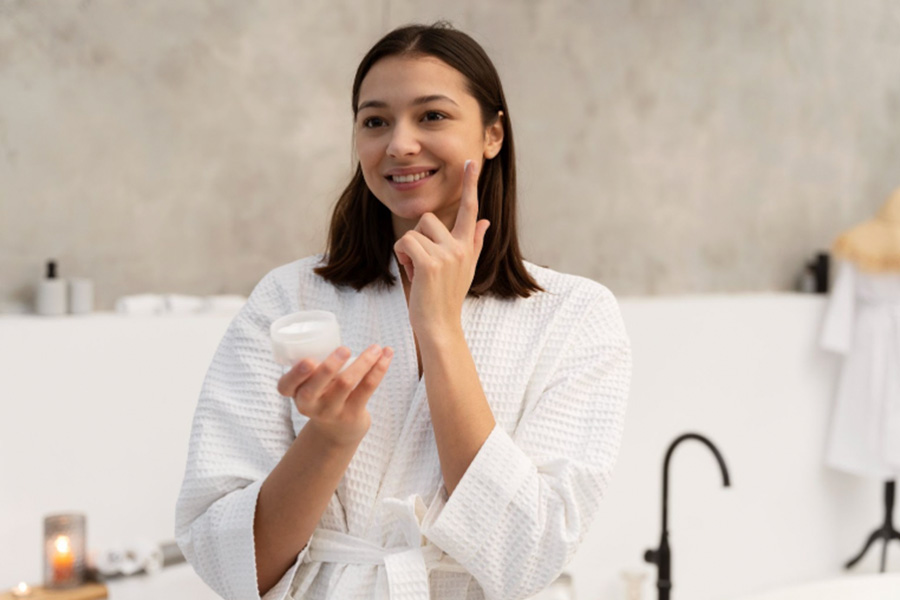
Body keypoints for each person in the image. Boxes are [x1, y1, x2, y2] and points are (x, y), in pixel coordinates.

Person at [175, 22, 632, 600]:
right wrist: (331, 437)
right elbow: (234, 565)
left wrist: (440, 329)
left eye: (432, 116)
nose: (399, 144)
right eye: (375, 121)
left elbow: (526, 553)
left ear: (492, 134)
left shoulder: (574, 315)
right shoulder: (290, 298)